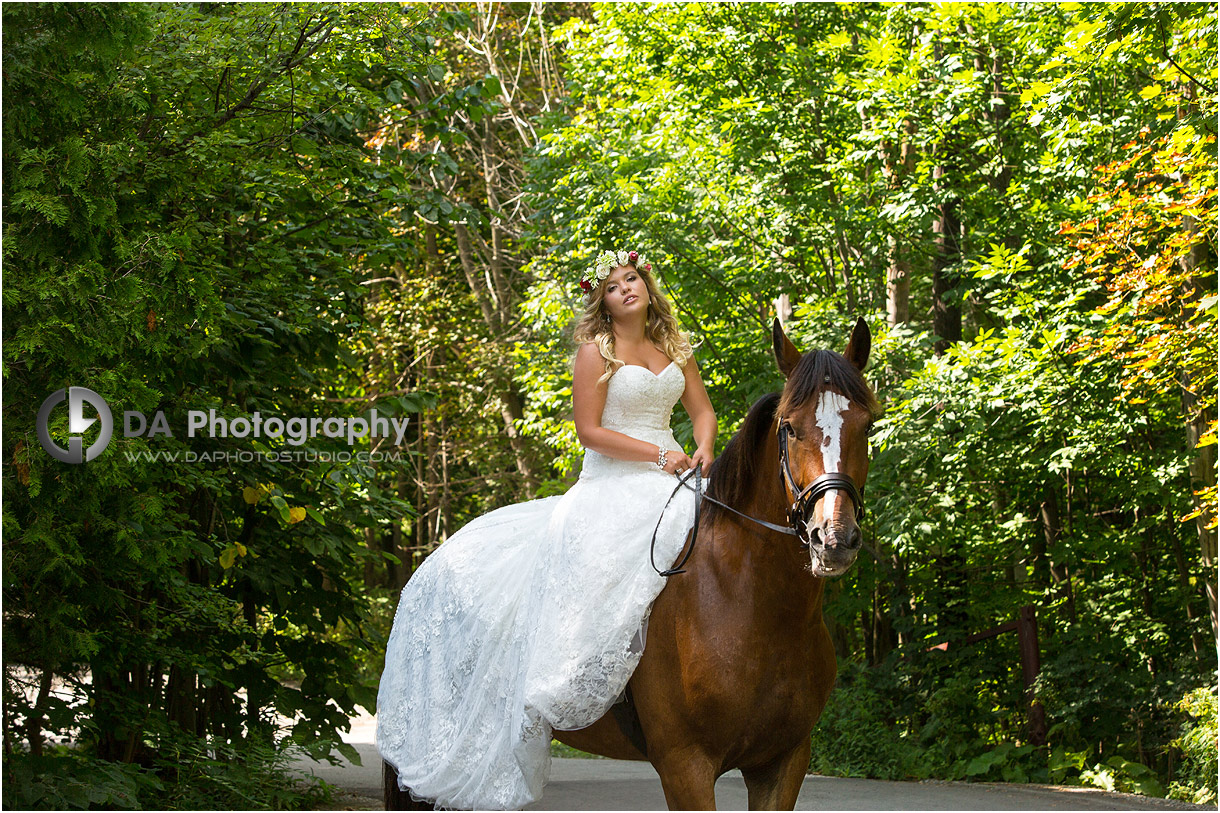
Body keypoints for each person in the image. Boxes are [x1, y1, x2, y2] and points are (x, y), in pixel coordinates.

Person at [376, 248, 716, 810]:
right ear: (601, 301)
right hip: (614, 483)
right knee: (604, 565)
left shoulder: (674, 348)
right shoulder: (596, 351)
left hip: (680, 474)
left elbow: (701, 410)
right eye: (613, 285)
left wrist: (702, 446)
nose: (626, 288)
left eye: (632, 278)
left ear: (647, 285)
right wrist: (659, 454)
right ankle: (575, 679)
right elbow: (589, 432)